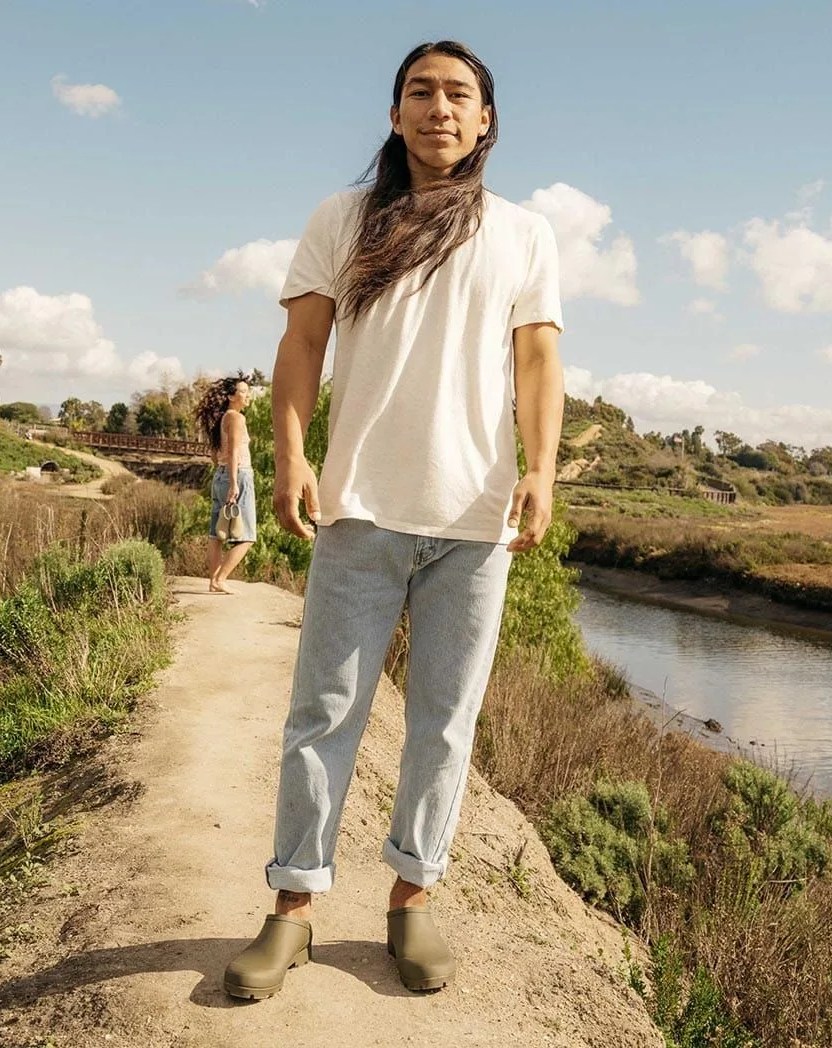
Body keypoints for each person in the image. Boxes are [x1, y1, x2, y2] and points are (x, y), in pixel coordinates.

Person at [225, 39, 564, 998]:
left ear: (486, 119)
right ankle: (292, 909)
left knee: (444, 723)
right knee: (323, 713)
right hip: (360, 509)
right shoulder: (344, 218)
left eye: (459, 94)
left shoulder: (524, 232)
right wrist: (292, 453)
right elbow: (299, 343)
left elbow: (537, 364)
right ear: (394, 113)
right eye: (421, 92)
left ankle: (412, 902)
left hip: (475, 518)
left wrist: (539, 470)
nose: (439, 108)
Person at [194, 373, 256, 594]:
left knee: (216, 533)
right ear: (231, 396)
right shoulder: (237, 418)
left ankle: (213, 581)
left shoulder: (221, 419)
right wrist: (234, 483)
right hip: (237, 475)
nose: (248, 396)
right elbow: (235, 453)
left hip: (219, 475)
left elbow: (215, 454)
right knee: (248, 537)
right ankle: (220, 578)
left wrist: (224, 476)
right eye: (243, 392)